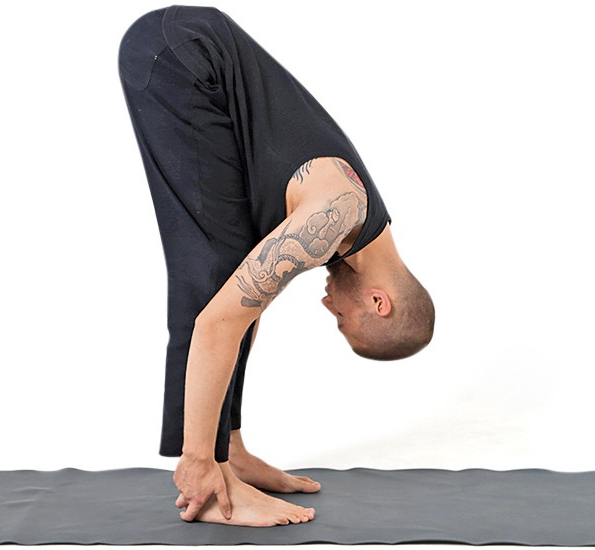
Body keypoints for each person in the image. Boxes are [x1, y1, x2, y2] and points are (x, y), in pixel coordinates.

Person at [117, 5, 434, 528]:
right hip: (176, 54)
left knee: (235, 287)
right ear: (379, 303)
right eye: (342, 319)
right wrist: (197, 458)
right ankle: (209, 481)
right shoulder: (334, 215)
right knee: (212, 281)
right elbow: (217, 321)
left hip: (191, 55)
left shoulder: (355, 227)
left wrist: (225, 442)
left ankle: (231, 453)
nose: (328, 307)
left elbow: (247, 310)